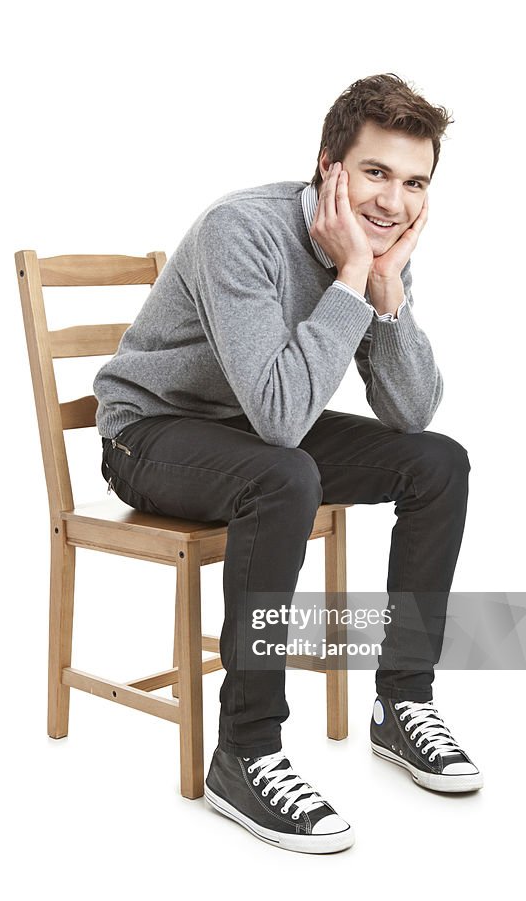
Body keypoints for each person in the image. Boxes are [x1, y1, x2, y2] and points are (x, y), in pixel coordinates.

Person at [93, 73, 482, 855]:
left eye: (414, 183)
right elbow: (279, 420)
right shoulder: (240, 230)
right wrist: (346, 281)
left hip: (257, 429)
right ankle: (245, 751)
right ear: (327, 164)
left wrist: (384, 287)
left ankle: (401, 704)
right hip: (151, 434)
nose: (392, 202)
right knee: (285, 475)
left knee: (437, 462)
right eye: (375, 173)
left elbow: (409, 412)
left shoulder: (379, 251)